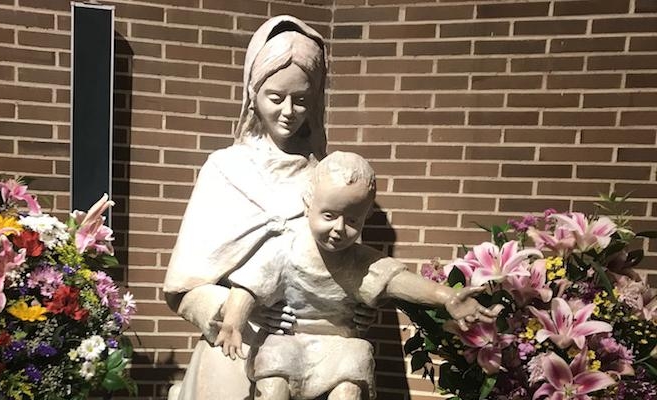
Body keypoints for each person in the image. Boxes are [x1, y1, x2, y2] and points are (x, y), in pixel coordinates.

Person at [214, 152, 502, 400]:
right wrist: (233, 322)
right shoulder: (284, 250)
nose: (339, 228)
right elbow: (248, 289)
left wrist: (447, 296)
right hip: (287, 340)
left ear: (365, 217)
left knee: (351, 376)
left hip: (339, 345)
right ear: (307, 204)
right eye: (329, 215)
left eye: (352, 220)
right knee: (274, 381)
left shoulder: (361, 261)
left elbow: (399, 281)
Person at [163, 16, 340, 400]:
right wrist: (239, 309)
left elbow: (344, 265)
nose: (289, 111)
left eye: (302, 99)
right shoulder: (224, 169)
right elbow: (184, 288)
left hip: (310, 352)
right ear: (252, 93)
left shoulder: (326, 178)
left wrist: (352, 308)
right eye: (275, 97)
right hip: (233, 347)